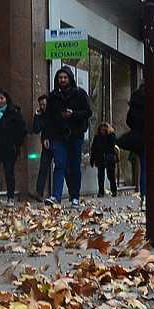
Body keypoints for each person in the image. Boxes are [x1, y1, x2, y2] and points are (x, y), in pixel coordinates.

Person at [42, 67, 92, 207]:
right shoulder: (53, 97)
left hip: (75, 135)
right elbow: (48, 118)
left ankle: (74, 196)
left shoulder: (80, 94)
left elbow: (88, 112)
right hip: (58, 136)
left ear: (70, 79)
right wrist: (46, 136)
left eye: (65, 77)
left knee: (74, 166)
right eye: (60, 78)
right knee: (59, 164)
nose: (62, 80)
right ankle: (56, 196)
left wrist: (73, 114)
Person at [32, 95, 54, 200]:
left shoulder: (53, 113)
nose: (42, 106)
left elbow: (53, 127)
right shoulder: (41, 115)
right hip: (46, 145)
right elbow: (36, 129)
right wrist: (36, 115)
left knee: (61, 166)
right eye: (40, 105)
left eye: (44, 104)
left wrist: (48, 138)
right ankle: (39, 192)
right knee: (43, 168)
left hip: (56, 142)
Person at [90, 122, 118, 197]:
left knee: (111, 176)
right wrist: (92, 159)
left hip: (109, 158)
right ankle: (101, 192)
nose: (102, 130)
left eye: (104, 129)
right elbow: (94, 149)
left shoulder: (111, 136)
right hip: (100, 158)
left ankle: (114, 190)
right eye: (101, 129)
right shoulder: (97, 137)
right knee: (100, 176)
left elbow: (114, 147)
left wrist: (115, 158)